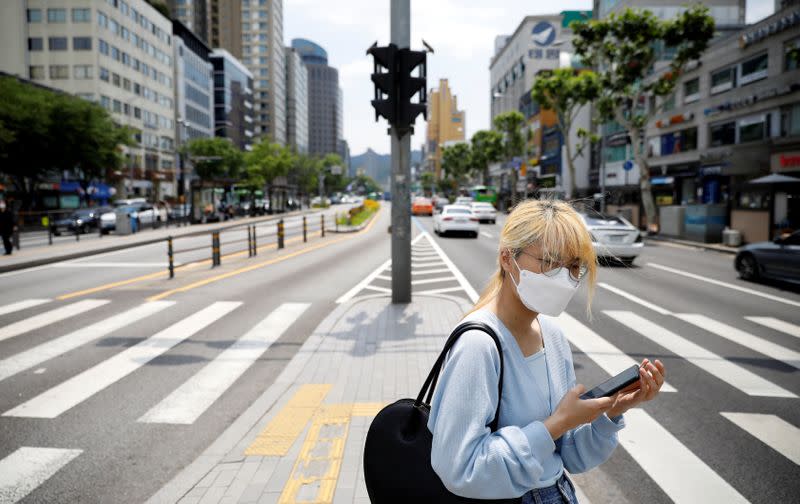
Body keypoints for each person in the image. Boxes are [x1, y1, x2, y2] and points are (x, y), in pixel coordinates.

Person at [427, 199, 666, 503]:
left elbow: (568, 455)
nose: (564, 278)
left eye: (573, 267)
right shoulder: (479, 344)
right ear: (506, 258)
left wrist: (612, 411)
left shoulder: (551, 335)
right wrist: (556, 424)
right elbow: (461, 469)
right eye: (551, 261)